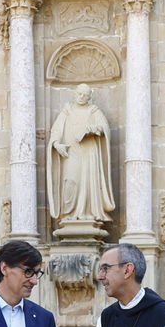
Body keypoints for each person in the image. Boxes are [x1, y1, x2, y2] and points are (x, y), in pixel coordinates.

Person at [46, 83, 116, 225]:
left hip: (88, 153)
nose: (81, 97)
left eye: (85, 95)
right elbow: (56, 131)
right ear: (75, 93)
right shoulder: (67, 111)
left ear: (89, 97)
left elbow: (105, 128)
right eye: (79, 94)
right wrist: (56, 144)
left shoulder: (93, 111)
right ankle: (68, 214)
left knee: (88, 183)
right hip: (70, 152)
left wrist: (93, 129)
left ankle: (87, 213)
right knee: (69, 181)